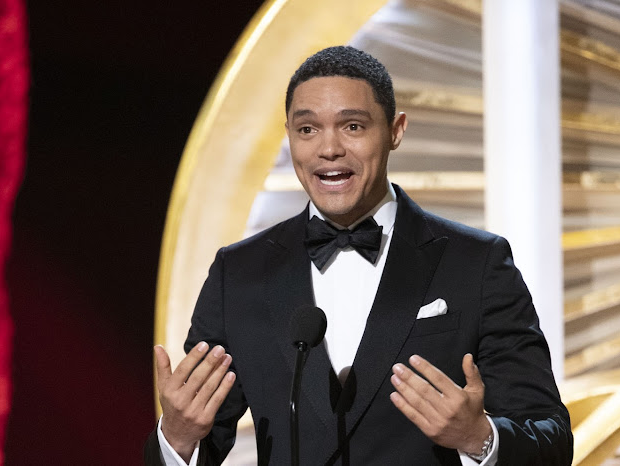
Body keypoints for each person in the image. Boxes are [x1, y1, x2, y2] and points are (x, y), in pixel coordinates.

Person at [145, 46, 572, 465]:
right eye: (307, 129)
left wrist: (479, 440)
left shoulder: (476, 264)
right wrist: (177, 439)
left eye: (352, 126)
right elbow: (202, 439)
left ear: (395, 131)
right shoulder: (238, 274)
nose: (328, 149)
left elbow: (551, 440)